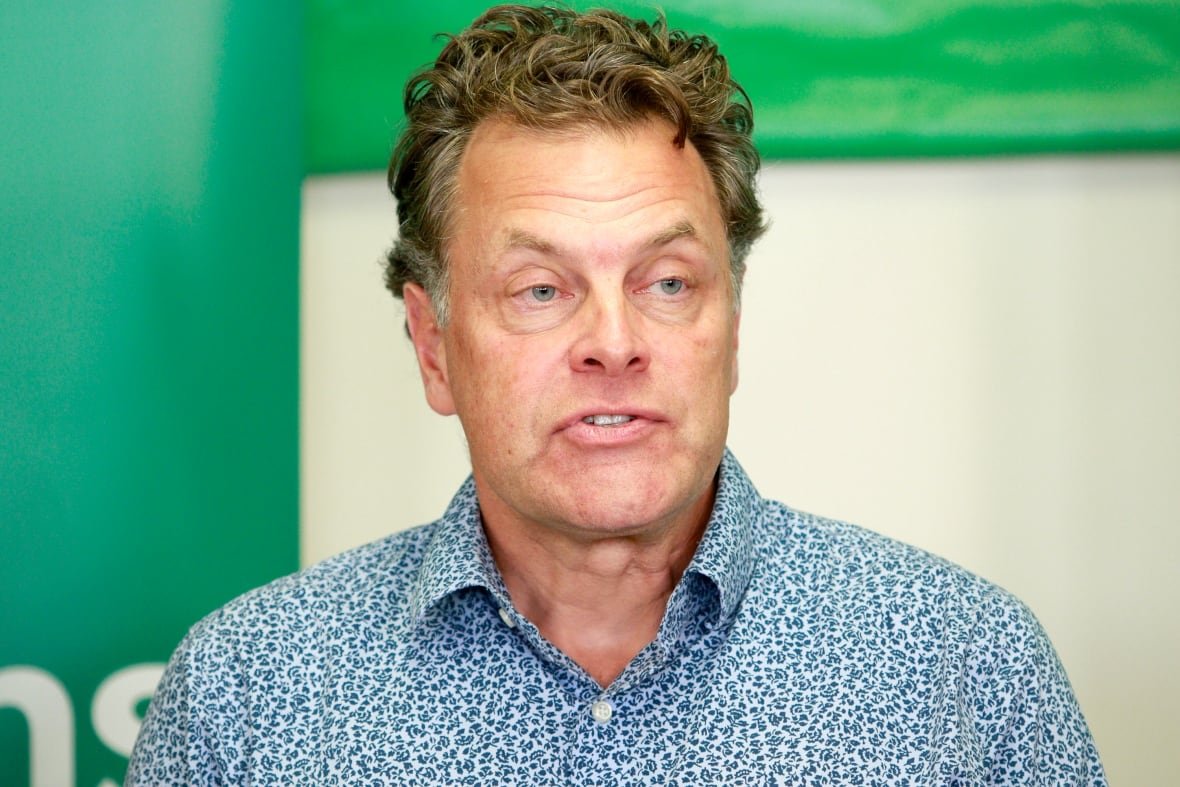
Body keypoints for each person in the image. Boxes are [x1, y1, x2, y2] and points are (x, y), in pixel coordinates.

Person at [128, 5, 1106, 784]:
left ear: (731, 324)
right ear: (432, 347)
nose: (613, 342)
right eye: (540, 290)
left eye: (667, 282)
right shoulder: (246, 697)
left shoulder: (963, 667)